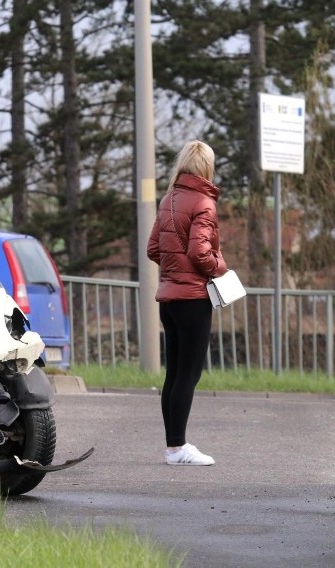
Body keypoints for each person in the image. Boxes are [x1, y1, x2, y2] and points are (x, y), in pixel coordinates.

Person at [146, 140, 228, 466]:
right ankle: (178, 448)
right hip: (193, 299)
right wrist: (220, 267)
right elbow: (200, 253)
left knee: (174, 374)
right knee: (189, 375)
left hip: (169, 299)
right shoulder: (204, 203)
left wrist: (173, 268)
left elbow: (154, 249)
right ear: (207, 167)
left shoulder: (169, 199)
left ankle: (172, 447)